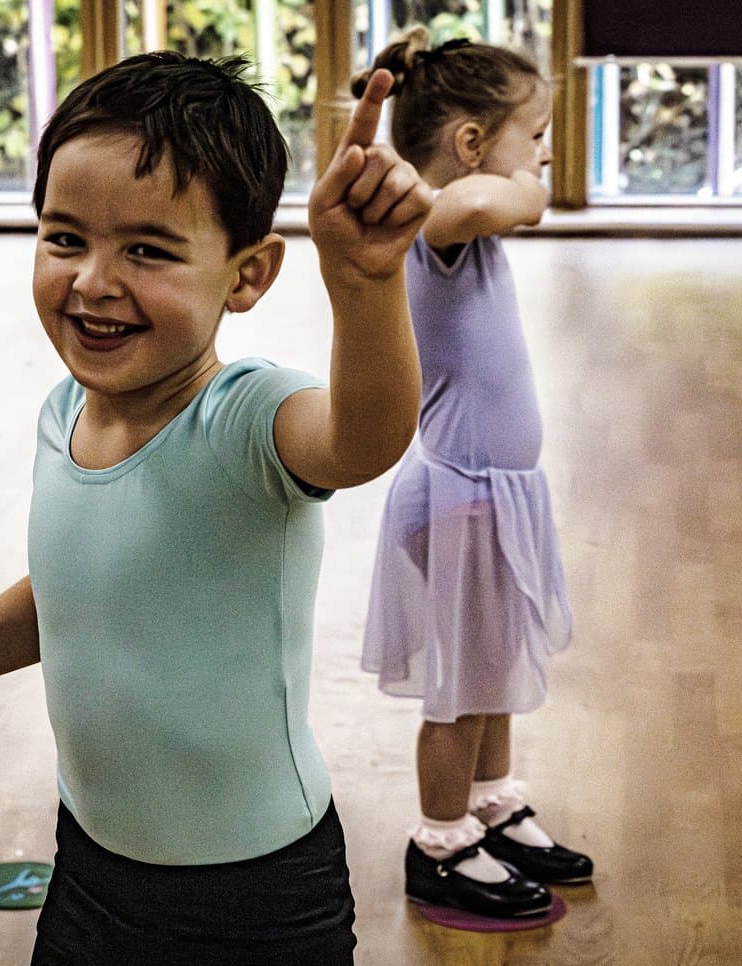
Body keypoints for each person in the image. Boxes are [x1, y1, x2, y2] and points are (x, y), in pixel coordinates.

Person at [0, 51, 430, 964]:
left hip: (255, 896)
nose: (92, 280)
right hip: (89, 866)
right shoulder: (63, 417)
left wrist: (363, 287)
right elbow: (80, 593)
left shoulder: (243, 418)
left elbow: (364, 438)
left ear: (246, 277)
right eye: (64, 237)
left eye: (148, 250)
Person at [356, 28, 594, 920]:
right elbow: (490, 205)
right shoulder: (432, 220)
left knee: (492, 669)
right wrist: (529, 187)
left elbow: (503, 200)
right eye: (532, 137)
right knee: (459, 691)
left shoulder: (461, 225)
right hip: (459, 493)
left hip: (496, 493)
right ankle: (441, 840)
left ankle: (489, 805)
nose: (540, 159)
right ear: (467, 144)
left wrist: (522, 175)